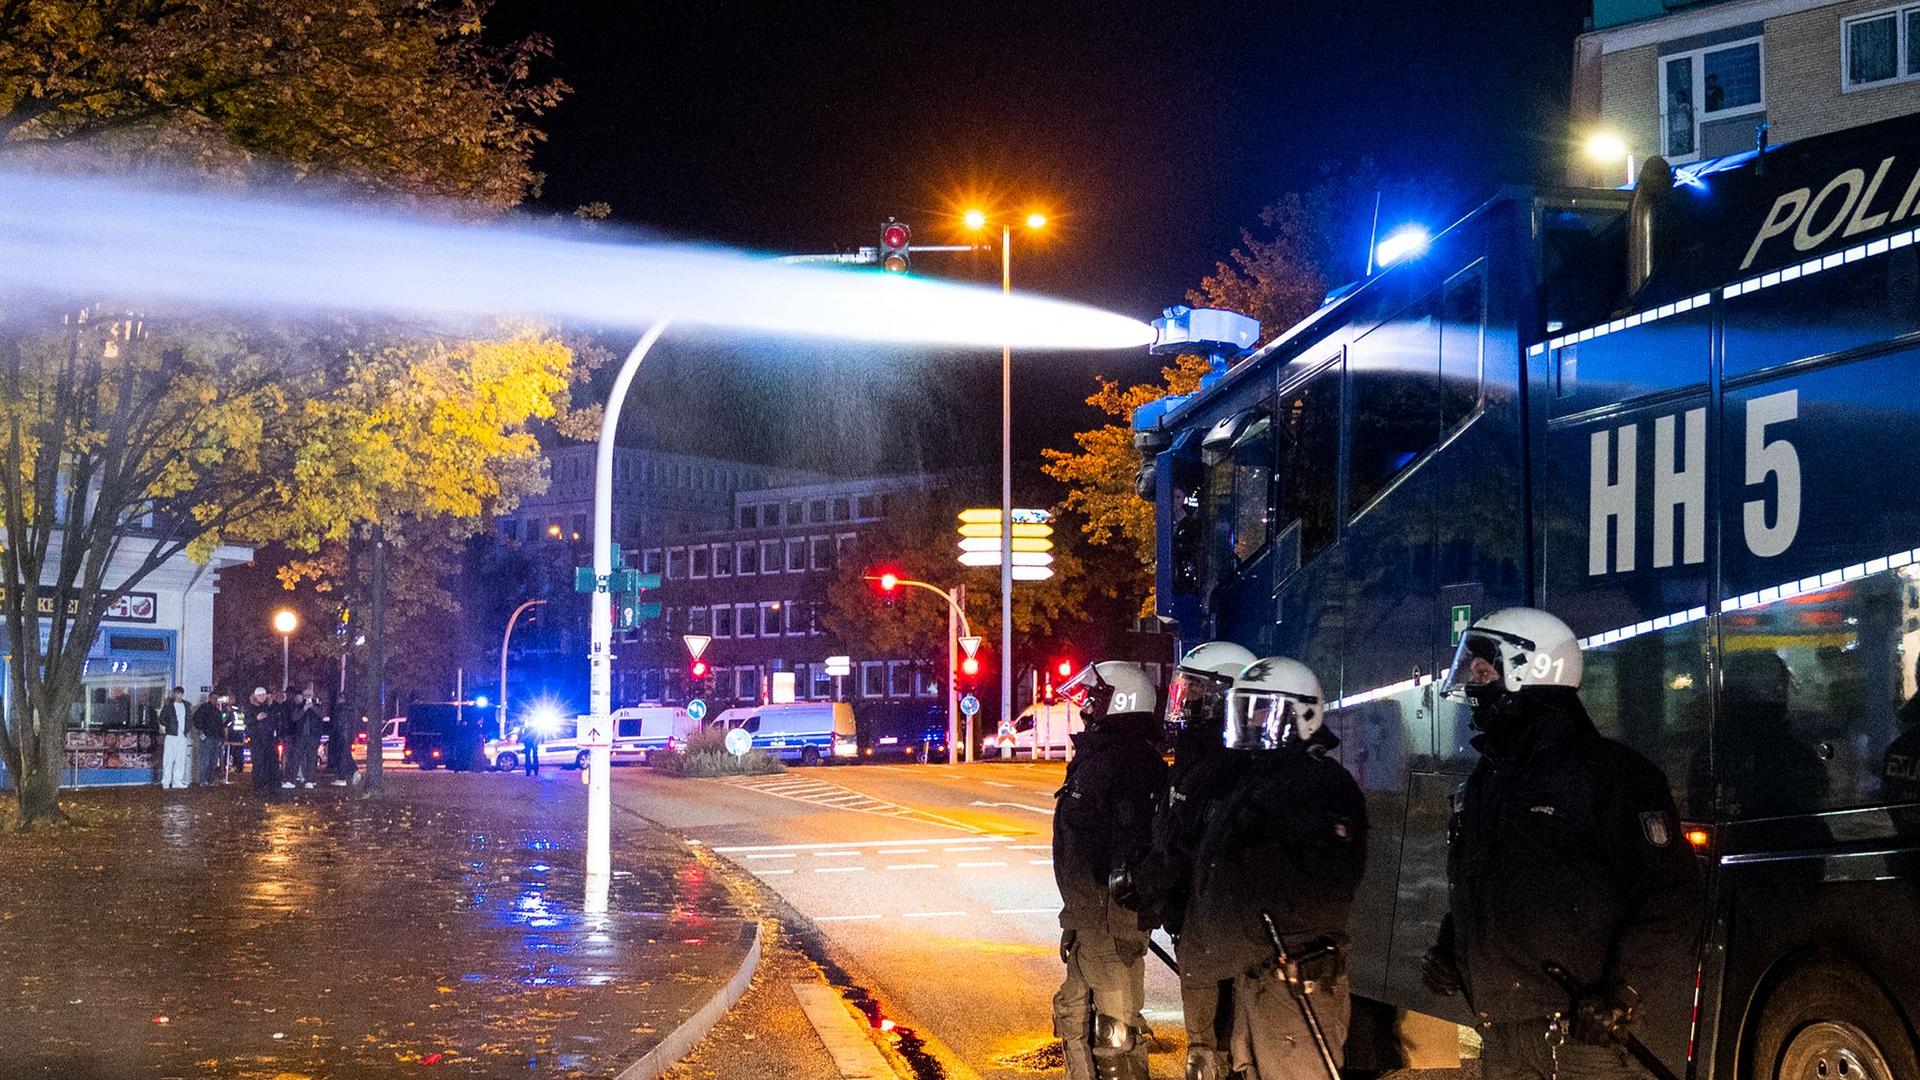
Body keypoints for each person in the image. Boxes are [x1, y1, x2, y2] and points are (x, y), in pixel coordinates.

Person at [1423, 608, 1699, 1080]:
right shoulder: (1489, 777)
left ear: (1532, 668)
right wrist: (1453, 949)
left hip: (1582, 1043)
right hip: (1504, 1037)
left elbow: (1670, 896)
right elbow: (1481, 881)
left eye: (1485, 668)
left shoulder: (1611, 775)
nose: (1473, 680)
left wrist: (1624, 992)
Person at [1177, 657, 1367, 1080]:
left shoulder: (1320, 786)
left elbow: (1324, 887)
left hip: (1297, 980)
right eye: (1246, 711)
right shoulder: (1258, 781)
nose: (1252, 722)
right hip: (1257, 975)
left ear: (1301, 714)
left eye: (1263, 711)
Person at [1115, 640, 1254, 1079]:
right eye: (1185, 690)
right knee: (1204, 1047)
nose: (1186, 701)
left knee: (1223, 1048)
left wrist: (1151, 877)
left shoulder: (1232, 767)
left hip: (1224, 932)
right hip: (1194, 926)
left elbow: (1200, 850)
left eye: (1198, 692)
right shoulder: (1196, 761)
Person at [1051, 660, 1167, 1080]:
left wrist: (1121, 922)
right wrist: (1076, 920)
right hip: (1090, 918)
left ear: (1120, 702)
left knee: (1115, 1031)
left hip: (1111, 919)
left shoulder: (1130, 763)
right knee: (1073, 1013)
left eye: (1094, 699)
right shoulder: (1102, 758)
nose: (1085, 707)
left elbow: (1134, 854)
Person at [159, 686, 193, 789]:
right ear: (174, 694)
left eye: (180, 694)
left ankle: (177, 781)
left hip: (181, 735)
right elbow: (162, 719)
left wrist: (186, 729)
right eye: (177, 694)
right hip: (172, 735)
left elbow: (189, 719)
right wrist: (170, 726)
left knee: (180, 759)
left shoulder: (186, 706)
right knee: (168, 759)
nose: (179, 696)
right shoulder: (169, 706)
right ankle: (166, 782)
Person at [246, 687, 280, 792]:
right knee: (258, 762)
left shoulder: (270, 706)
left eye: (263, 695)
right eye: (259, 695)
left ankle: (270, 783)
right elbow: (247, 721)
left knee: (270, 761)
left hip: (269, 739)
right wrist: (256, 719)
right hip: (257, 739)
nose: (262, 697)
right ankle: (258, 785)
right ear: (255, 696)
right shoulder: (250, 708)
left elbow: (275, 719)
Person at [191, 691, 227, 785]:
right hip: (208, 737)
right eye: (214, 698)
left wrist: (221, 738)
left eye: (217, 699)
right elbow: (197, 720)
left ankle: (210, 780)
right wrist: (202, 730)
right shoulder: (204, 708)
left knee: (213, 760)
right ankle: (203, 780)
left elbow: (220, 726)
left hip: (215, 737)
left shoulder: (217, 711)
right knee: (206, 759)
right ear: (210, 698)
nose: (215, 700)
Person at [289, 689, 322, 788]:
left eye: (309, 694)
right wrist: (304, 709)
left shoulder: (317, 705)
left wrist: (312, 707)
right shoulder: (299, 706)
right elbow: (294, 718)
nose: (307, 696)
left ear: (312, 695)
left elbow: (322, 714)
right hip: (301, 736)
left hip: (313, 736)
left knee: (311, 758)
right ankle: (292, 781)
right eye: (305, 695)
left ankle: (309, 780)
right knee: (296, 758)